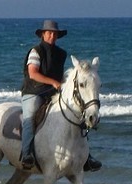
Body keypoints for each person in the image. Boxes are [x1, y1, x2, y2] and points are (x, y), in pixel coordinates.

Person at [20, 20, 102, 171]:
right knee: (29, 118)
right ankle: (26, 154)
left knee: (78, 116)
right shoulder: (35, 51)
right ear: (43, 34)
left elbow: (59, 76)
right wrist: (53, 82)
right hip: (34, 92)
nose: (52, 36)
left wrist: (64, 84)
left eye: (55, 34)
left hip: (54, 92)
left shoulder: (61, 53)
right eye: (49, 33)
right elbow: (32, 73)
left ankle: (86, 157)